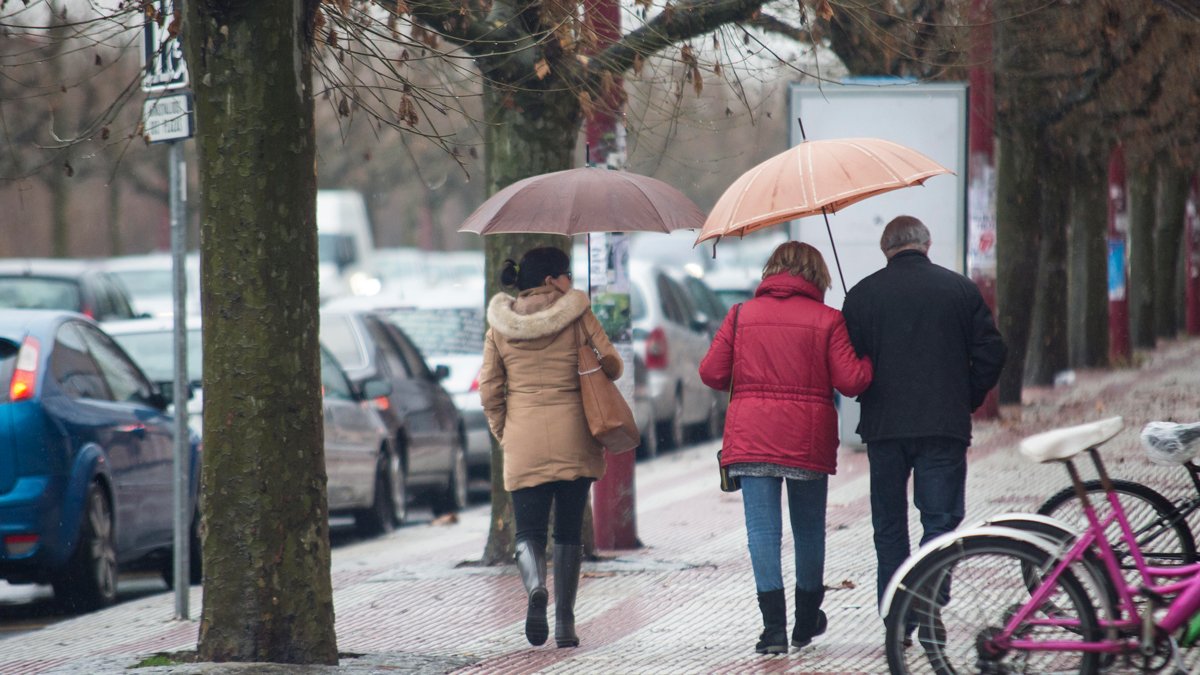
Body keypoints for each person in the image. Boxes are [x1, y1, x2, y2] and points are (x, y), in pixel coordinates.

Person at [699, 241, 873, 655]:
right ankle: (806, 621)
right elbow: (851, 381)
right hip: (805, 440)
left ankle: (773, 630)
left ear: (771, 270)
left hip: (752, 437)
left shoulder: (740, 315)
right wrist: (867, 358)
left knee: (762, 532)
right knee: (808, 529)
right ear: (818, 275)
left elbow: (711, 373)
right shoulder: (829, 320)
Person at [840, 215, 1007, 628]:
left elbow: (850, 367)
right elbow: (992, 351)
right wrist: (966, 396)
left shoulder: (861, 296)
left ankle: (897, 618)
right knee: (940, 520)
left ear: (886, 250)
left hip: (884, 428)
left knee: (889, 527)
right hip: (943, 425)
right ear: (926, 244)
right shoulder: (959, 289)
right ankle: (929, 595)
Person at [477, 246, 622, 649]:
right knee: (569, 531)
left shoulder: (499, 327)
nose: (571, 282)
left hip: (523, 438)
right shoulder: (578, 316)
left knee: (528, 530)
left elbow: (489, 391)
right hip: (574, 434)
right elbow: (612, 365)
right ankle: (565, 623)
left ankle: (536, 587)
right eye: (567, 274)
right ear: (550, 280)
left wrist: (505, 432)